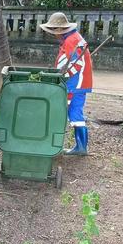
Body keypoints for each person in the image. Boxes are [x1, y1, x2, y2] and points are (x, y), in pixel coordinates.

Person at [40, 12, 93, 155]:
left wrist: (61, 77)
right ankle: (81, 147)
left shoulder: (71, 41)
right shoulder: (73, 38)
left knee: (75, 113)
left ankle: (81, 148)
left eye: (53, 31)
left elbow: (75, 65)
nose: (53, 35)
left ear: (59, 30)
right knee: (74, 112)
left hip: (76, 84)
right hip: (78, 83)